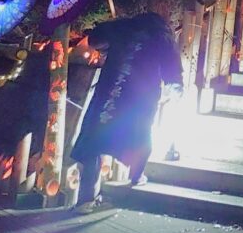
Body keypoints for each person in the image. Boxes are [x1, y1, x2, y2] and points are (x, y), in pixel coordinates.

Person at [71, 12, 183, 208]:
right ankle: (136, 175)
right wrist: (176, 87)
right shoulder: (163, 37)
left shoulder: (122, 28)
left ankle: (85, 199)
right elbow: (172, 71)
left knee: (94, 139)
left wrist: (112, 34)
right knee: (139, 135)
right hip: (140, 98)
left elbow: (94, 40)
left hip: (110, 91)